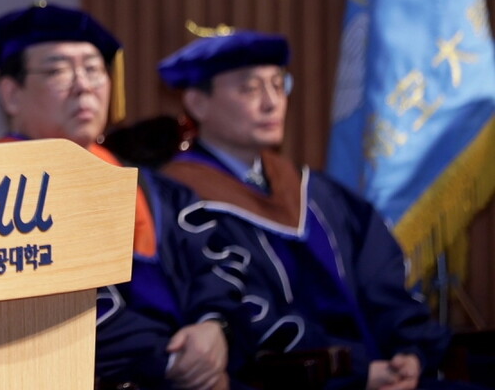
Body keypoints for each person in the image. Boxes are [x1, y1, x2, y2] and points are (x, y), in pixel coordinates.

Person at [158, 28, 468, 390]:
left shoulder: (315, 191)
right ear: (198, 103)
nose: (272, 102)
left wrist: (409, 352)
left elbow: (381, 276)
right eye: (250, 89)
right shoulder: (181, 202)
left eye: (279, 84)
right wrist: (358, 371)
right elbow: (238, 311)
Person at [0, 3, 250, 390]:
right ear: (11, 94)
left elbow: (217, 262)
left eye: (94, 69)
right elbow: (53, 310)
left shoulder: (156, 189)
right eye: (58, 70)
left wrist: (213, 328)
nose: (84, 86)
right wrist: (171, 361)